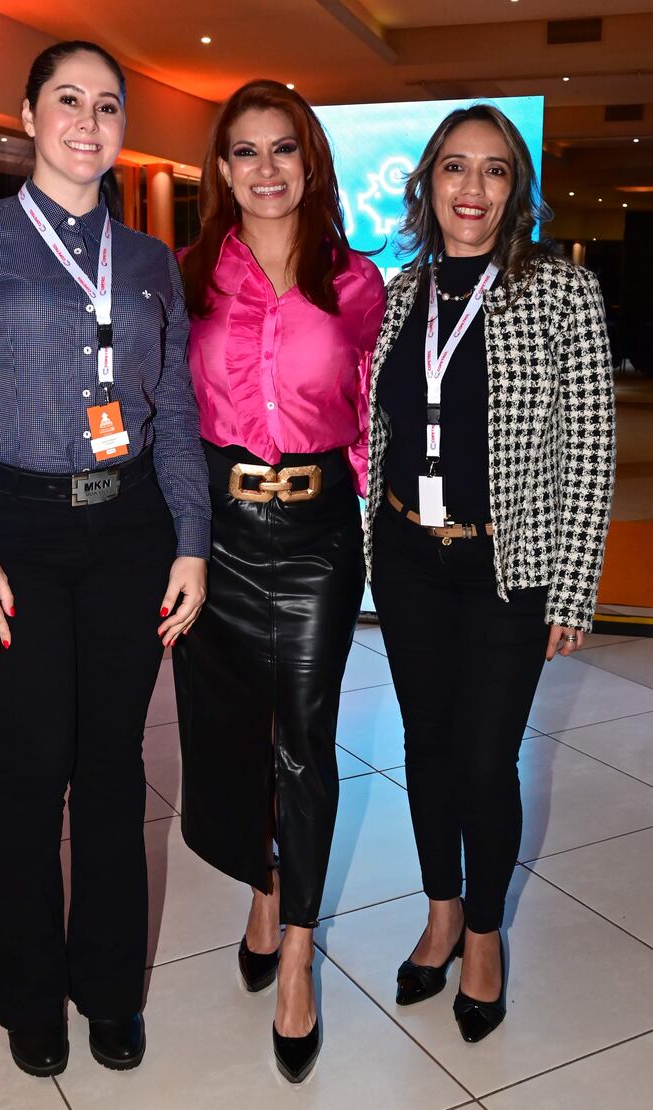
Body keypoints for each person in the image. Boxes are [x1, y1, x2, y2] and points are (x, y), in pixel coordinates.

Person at [0, 40, 209, 1077]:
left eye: (108, 104)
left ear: (126, 127)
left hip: (128, 535)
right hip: (10, 532)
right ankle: (26, 991)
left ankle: (110, 989)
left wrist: (192, 544)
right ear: (28, 114)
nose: (88, 120)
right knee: (33, 769)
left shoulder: (152, 260)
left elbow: (171, 422)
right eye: (67, 100)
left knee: (114, 771)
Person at [366, 104, 615, 1043]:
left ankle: (482, 935)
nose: (472, 190)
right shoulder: (401, 294)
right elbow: (381, 426)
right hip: (404, 557)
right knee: (425, 748)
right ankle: (438, 912)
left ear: (517, 191)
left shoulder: (558, 292)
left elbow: (590, 444)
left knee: (483, 757)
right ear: (427, 185)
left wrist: (577, 582)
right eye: (455, 170)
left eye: (495, 172)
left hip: (505, 566)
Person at [175, 79, 384, 1082]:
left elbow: (381, 416)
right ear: (220, 169)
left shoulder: (359, 283)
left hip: (314, 535)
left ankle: (293, 948)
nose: (265, 170)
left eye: (283, 150)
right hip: (212, 528)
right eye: (245, 152)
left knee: (302, 739)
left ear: (310, 163)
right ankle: (260, 885)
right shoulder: (183, 277)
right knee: (226, 738)